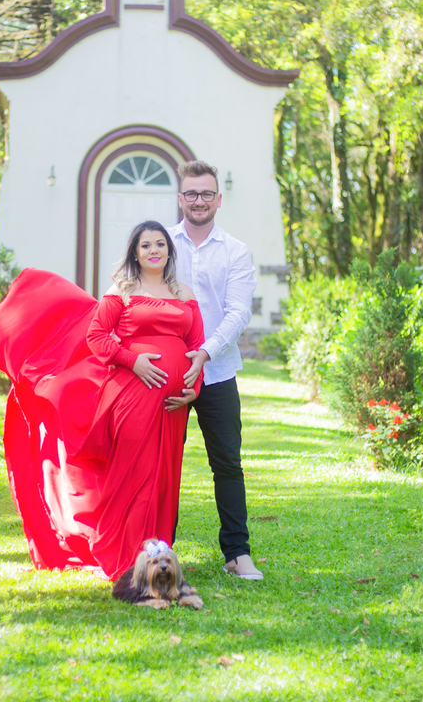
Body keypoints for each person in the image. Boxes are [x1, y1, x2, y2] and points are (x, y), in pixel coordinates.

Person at [0, 221, 205, 582]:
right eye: (146, 245)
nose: (154, 250)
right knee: (135, 476)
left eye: (160, 244)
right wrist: (134, 361)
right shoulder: (123, 290)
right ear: (135, 252)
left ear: (169, 250)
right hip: (132, 393)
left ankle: (155, 557)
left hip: (174, 403)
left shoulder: (184, 291)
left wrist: (196, 387)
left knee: (164, 478)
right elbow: (97, 337)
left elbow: (196, 346)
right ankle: (126, 560)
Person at [168, 160, 264, 581]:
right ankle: (157, 550)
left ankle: (237, 554)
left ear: (218, 199)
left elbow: (238, 312)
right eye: (191, 193)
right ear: (180, 198)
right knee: (160, 463)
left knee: (227, 463)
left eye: (206, 193)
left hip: (217, 370)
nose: (199, 200)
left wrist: (204, 353)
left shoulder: (236, 251)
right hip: (168, 374)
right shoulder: (160, 243)